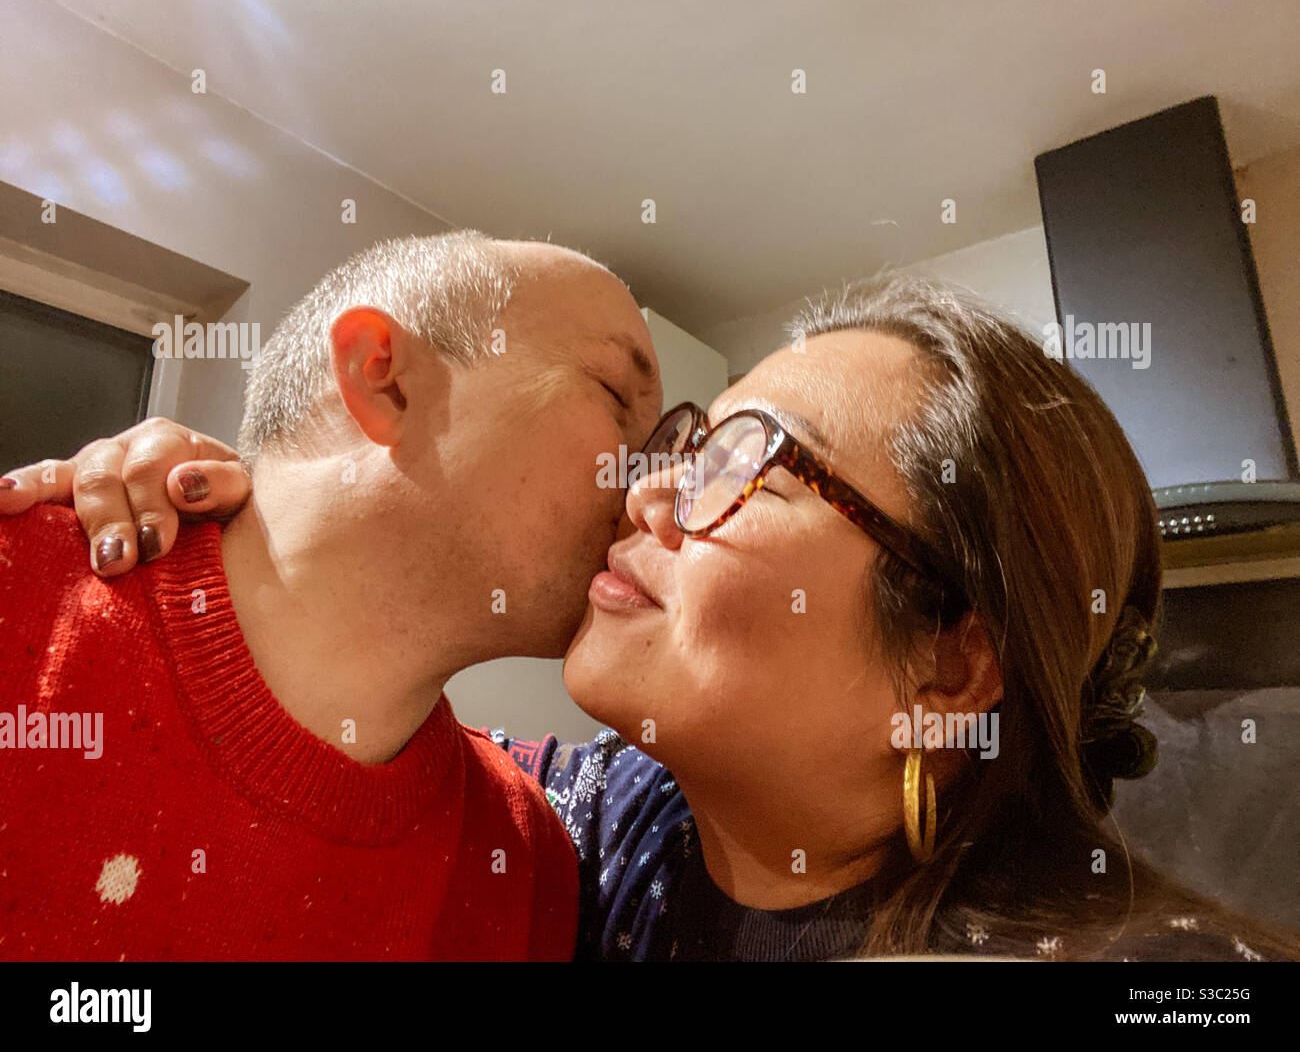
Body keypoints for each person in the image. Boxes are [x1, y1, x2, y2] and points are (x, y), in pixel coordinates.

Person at [8, 272, 1298, 962]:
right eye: (675, 433)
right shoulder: (587, 830)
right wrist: (228, 527)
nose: (645, 485)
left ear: (952, 661)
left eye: (743, 455)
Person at [0, 230, 664, 961]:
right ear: (383, 376)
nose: (658, 482)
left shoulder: (530, 860)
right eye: (613, 394)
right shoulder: (20, 602)